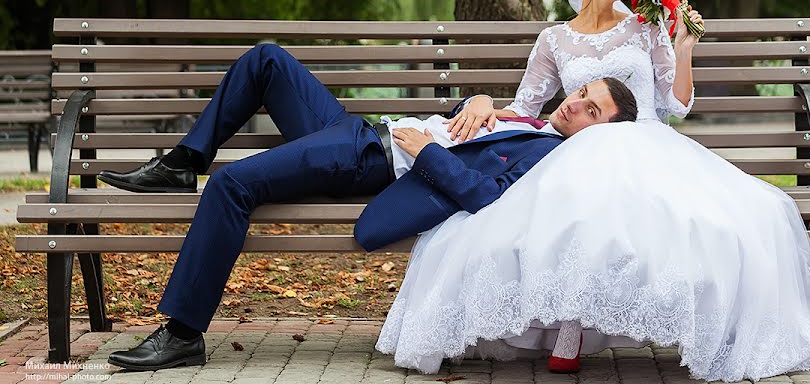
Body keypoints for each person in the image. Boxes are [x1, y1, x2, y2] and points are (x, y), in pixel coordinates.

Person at [371, 0, 810, 382]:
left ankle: (688, 327)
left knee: (715, 220)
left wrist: (683, 46)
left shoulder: (645, 27)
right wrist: (483, 101)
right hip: (583, 150)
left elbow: (678, 105)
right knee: (576, 211)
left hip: (648, 143)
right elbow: (526, 108)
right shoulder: (554, 40)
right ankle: (570, 330)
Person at [96, 42, 638, 371]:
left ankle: (183, 335)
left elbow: (483, 194)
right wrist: (472, 100)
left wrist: (425, 152)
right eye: (583, 91)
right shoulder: (534, 122)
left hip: (368, 161)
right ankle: (181, 161)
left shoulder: (549, 159)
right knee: (267, 61)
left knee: (232, 186)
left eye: (591, 110)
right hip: (358, 134)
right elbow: (463, 131)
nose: (575, 103)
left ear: (603, 133)